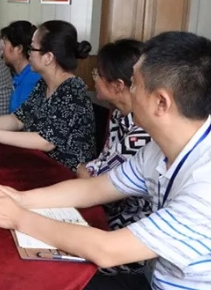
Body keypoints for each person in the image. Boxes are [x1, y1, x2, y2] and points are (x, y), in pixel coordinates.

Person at [0, 31, 211, 290]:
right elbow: (95, 188)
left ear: (161, 102)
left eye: (134, 84)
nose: (127, 91)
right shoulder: (159, 148)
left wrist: (18, 217)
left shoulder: (204, 185)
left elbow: (108, 250)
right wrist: (19, 199)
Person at [0, 20, 95, 171]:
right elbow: (18, 119)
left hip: (63, 172)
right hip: (37, 163)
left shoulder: (72, 90)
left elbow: (46, 142)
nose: (28, 53)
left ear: (48, 57)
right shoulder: (43, 84)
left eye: (32, 48)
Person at [77, 39, 153, 277]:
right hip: (105, 211)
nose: (94, 79)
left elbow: (97, 177)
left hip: (126, 239)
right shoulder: (120, 115)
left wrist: (85, 170)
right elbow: (102, 164)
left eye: (97, 74)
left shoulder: (143, 132)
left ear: (119, 85)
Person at [0, 21, 41, 112]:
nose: (2, 48)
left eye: (5, 43)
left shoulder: (32, 79)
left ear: (19, 49)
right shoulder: (19, 75)